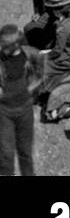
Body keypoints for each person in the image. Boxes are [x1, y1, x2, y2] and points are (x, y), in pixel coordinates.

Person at [0, 23, 41, 176]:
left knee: (25, 152)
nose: (1, 48)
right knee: (5, 153)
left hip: (25, 110)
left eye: (5, 45)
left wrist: (30, 90)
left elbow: (40, 75)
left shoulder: (31, 55)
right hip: (4, 112)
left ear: (16, 44)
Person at [27, 0, 70, 96]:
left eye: (54, 8)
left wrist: (42, 54)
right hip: (64, 55)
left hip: (62, 60)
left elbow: (57, 51)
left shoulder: (63, 28)